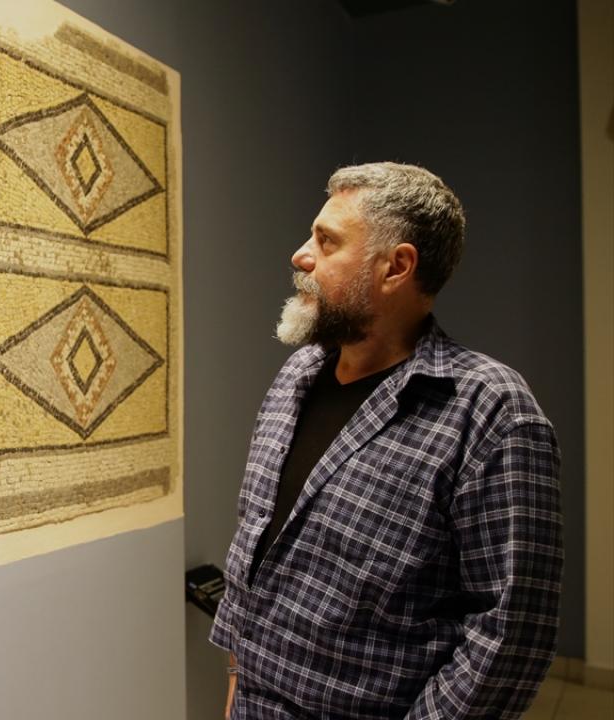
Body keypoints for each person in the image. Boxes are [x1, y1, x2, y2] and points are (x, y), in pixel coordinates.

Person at [211, 162, 563, 719]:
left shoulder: (489, 410)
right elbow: (255, 544)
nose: (300, 255)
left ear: (396, 267)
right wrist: (237, 678)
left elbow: (510, 636)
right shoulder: (297, 375)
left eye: (326, 241)